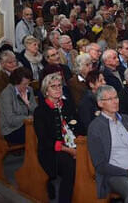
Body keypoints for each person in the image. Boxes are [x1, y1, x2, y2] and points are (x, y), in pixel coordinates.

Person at [34, 73, 78, 202]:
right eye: (53, 86)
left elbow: (79, 126)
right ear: (46, 91)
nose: (58, 89)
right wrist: (69, 150)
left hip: (74, 145)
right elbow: (44, 140)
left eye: (59, 86)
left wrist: (80, 144)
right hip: (52, 152)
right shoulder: (40, 111)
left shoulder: (67, 104)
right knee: (71, 166)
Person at [0, 67, 37, 144]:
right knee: (39, 132)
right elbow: (10, 120)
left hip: (28, 125)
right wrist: (27, 118)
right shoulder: (7, 94)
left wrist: (28, 104)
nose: (27, 86)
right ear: (16, 82)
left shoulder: (29, 90)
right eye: (24, 84)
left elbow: (36, 111)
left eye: (28, 83)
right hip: (11, 130)